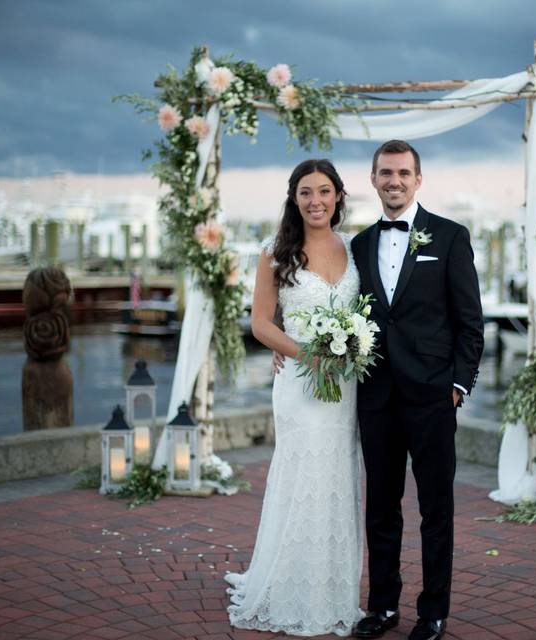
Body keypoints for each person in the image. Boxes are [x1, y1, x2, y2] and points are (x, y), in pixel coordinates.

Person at [351, 140, 484, 640]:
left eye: (403, 173)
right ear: (373, 179)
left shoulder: (450, 237)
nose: (394, 181)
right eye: (386, 172)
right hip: (377, 397)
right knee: (381, 507)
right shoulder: (360, 244)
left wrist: (457, 386)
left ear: (418, 179)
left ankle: (433, 612)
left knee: (436, 510)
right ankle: (383, 606)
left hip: (432, 397)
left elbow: (471, 322)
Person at [225, 159, 364, 637]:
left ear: (339, 196)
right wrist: (305, 353)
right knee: (302, 476)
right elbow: (261, 323)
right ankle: (289, 587)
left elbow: (364, 319)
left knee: (340, 479)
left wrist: (349, 350)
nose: (316, 201)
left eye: (324, 191)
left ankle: (332, 589)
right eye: (306, 192)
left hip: (345, 387)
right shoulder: (275, 252)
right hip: (300, 386)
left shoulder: (354, 249)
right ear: (294, 198)